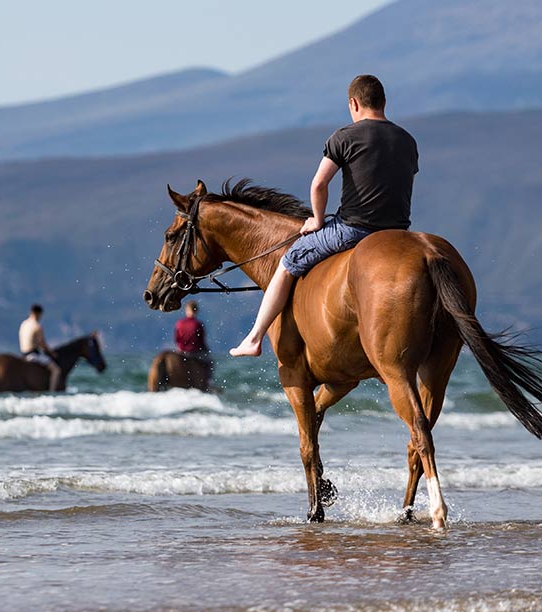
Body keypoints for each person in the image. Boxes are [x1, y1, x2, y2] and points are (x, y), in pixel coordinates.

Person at [230, 74, 418, 357]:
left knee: (289, 260)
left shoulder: (345, 137)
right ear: (384, 102)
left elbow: (319, 184)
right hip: (398, 232)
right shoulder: (407, 140)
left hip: (354, 229)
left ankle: (254, 339)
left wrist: (317, 220)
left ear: (353, 103)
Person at [19, 304, 62, 391]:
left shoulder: (24, 324)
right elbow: (42, 344)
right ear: (39, 314)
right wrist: (51, 353)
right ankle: (52, 391)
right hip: (33, 355)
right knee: (56, 370)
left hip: (23, 355)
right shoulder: (37, 326)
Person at [174, 300, 214, 381]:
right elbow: (201, 341)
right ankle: (209, 382)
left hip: (181, 352)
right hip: (194, 353)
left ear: (187, 310)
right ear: (196, 311)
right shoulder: (198, 324)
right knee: (210, 362)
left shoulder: (179, 323)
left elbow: (177, 339)